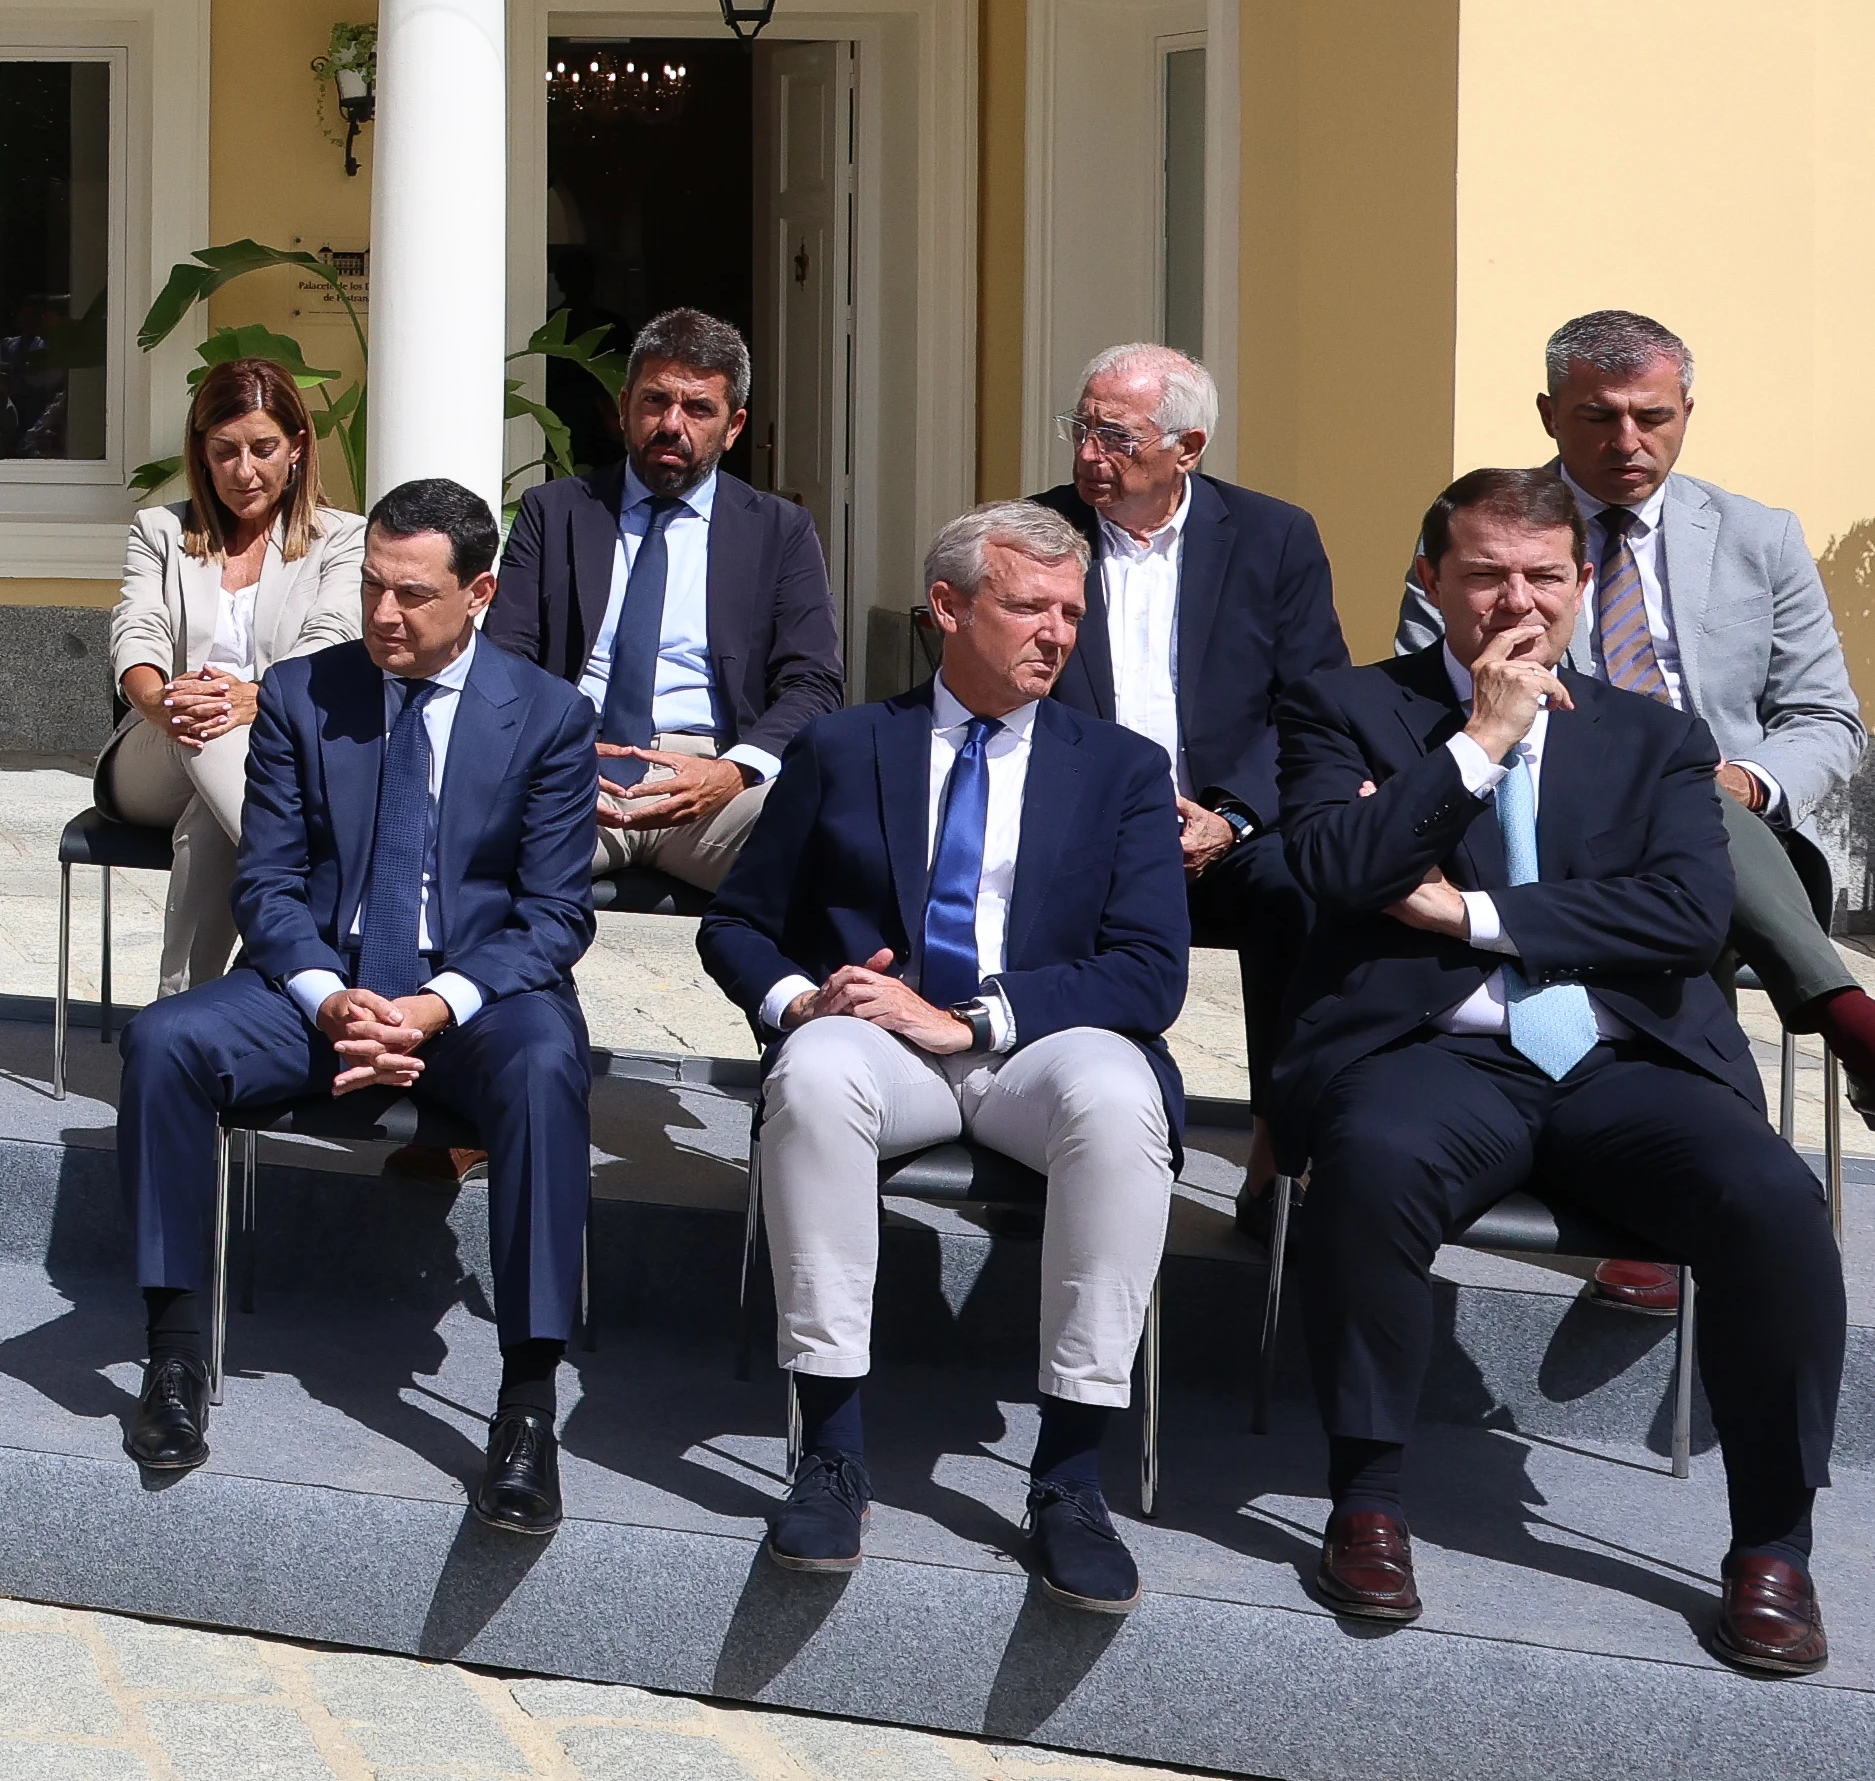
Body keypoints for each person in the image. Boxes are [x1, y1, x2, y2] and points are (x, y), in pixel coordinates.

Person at [1266, 466, 1835, 1679]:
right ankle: (1367, 1501)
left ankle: (1773, 1545)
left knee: (1777, 1201)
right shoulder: (1347, 709)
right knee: (1368, 1165)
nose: (1512, 600)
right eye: (1482, 574)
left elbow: (1682, 919)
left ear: (1585, 586)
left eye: (1541, 575)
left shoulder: (1656, 739)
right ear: (1429, 581)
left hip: (1626, 1063)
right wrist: (1477, 744)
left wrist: (1469, 912)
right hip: (1433, 1052)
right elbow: (1336, 867)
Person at [706, 500, 1190, 1613]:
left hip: (1039, 1048)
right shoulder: (842, 746)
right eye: (1029, 607)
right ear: (948, 609)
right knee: (816, 1072)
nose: (1057, 633)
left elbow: (1150, 973)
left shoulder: (1121, 767)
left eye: (1073, 611)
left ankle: (1069, 1475)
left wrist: (974, 1021)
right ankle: (829, 1451)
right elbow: (735, 926)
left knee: (1122, 1104)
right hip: (882, 1047)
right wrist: (803, 998)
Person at [113, 477, 600, 1534]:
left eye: (413, 596)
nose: (383, 614)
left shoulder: (549, 717)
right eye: (374, 585)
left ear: (479, 595)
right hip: (318, 984)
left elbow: (557, 918)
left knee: (547, 1065)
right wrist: (335, 1001)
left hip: (474, 998)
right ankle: (176, 1354)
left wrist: (428, 1008)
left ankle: (524, 1404)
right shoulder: (303, 695)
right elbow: (270, 890)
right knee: (164, 1043)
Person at [1385, 312, 1873, 1110]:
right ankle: (1842, 1018)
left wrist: (1747, 780)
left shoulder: (1759, 537)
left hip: (1741, 838)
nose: (1627, 441)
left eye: (1652, 417)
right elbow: (1438, 693)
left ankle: (1668, 1180)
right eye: (1598, 416)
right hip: (1547, 817)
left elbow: (1825, 718)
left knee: (1691, 819)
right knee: (1677, 825)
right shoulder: (1483, 531)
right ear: (1548, 414)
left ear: (1686, 412)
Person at [1041, 340, 1341, 1208]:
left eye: (1116, 435)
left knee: (1303, 890)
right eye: (1081, 429)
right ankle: (1049, 1127)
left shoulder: (1271, 537)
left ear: (1188, 447)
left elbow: (1311, 704)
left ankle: (1278, 1155)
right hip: (1074, 826)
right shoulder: (1034, 532)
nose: (1090, 454)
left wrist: (1231, 818)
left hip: (1221, 830)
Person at [481, 308, 841, 892]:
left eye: (698, 409)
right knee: (466, 856)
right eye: (655, 402)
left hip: (712, 777)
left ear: (733, 426)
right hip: (574, 765)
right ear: (624, 406)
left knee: (834, 859)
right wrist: (554, 757)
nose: (672, 424)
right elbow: (507, 656)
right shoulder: (555, 512)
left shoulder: (779, 530)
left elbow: (813, 682)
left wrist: (734, 770)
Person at [101, 360, 369, 994]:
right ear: (201, 452)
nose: (243, 470)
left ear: (298, 446)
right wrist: (163, 701)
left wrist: (252, 697)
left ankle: (179, 1017)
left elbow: (328, 641)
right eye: (223, 451)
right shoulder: (162, 530)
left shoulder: (343, 540)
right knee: (208, 729)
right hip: (158, 744)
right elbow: (135, 634)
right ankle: (314, 895)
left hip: (270, 755)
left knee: (210, 816)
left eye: (263, 449)